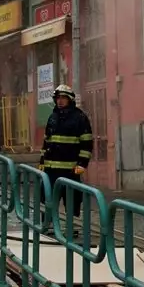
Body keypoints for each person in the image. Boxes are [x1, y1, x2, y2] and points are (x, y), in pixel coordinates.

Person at [39, 84, 93, 230]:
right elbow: (46, 142)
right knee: (46, 198)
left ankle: (72, 228)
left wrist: (82, 164)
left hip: (70, 169)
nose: (60, 101)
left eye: (63, 98)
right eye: (58, 98)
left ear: (70, 100)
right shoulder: (53, 117)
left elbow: (87, 143)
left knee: (72, 200)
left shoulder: (80, 118)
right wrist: (42, 162)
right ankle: (47, 226)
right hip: (50, 169)